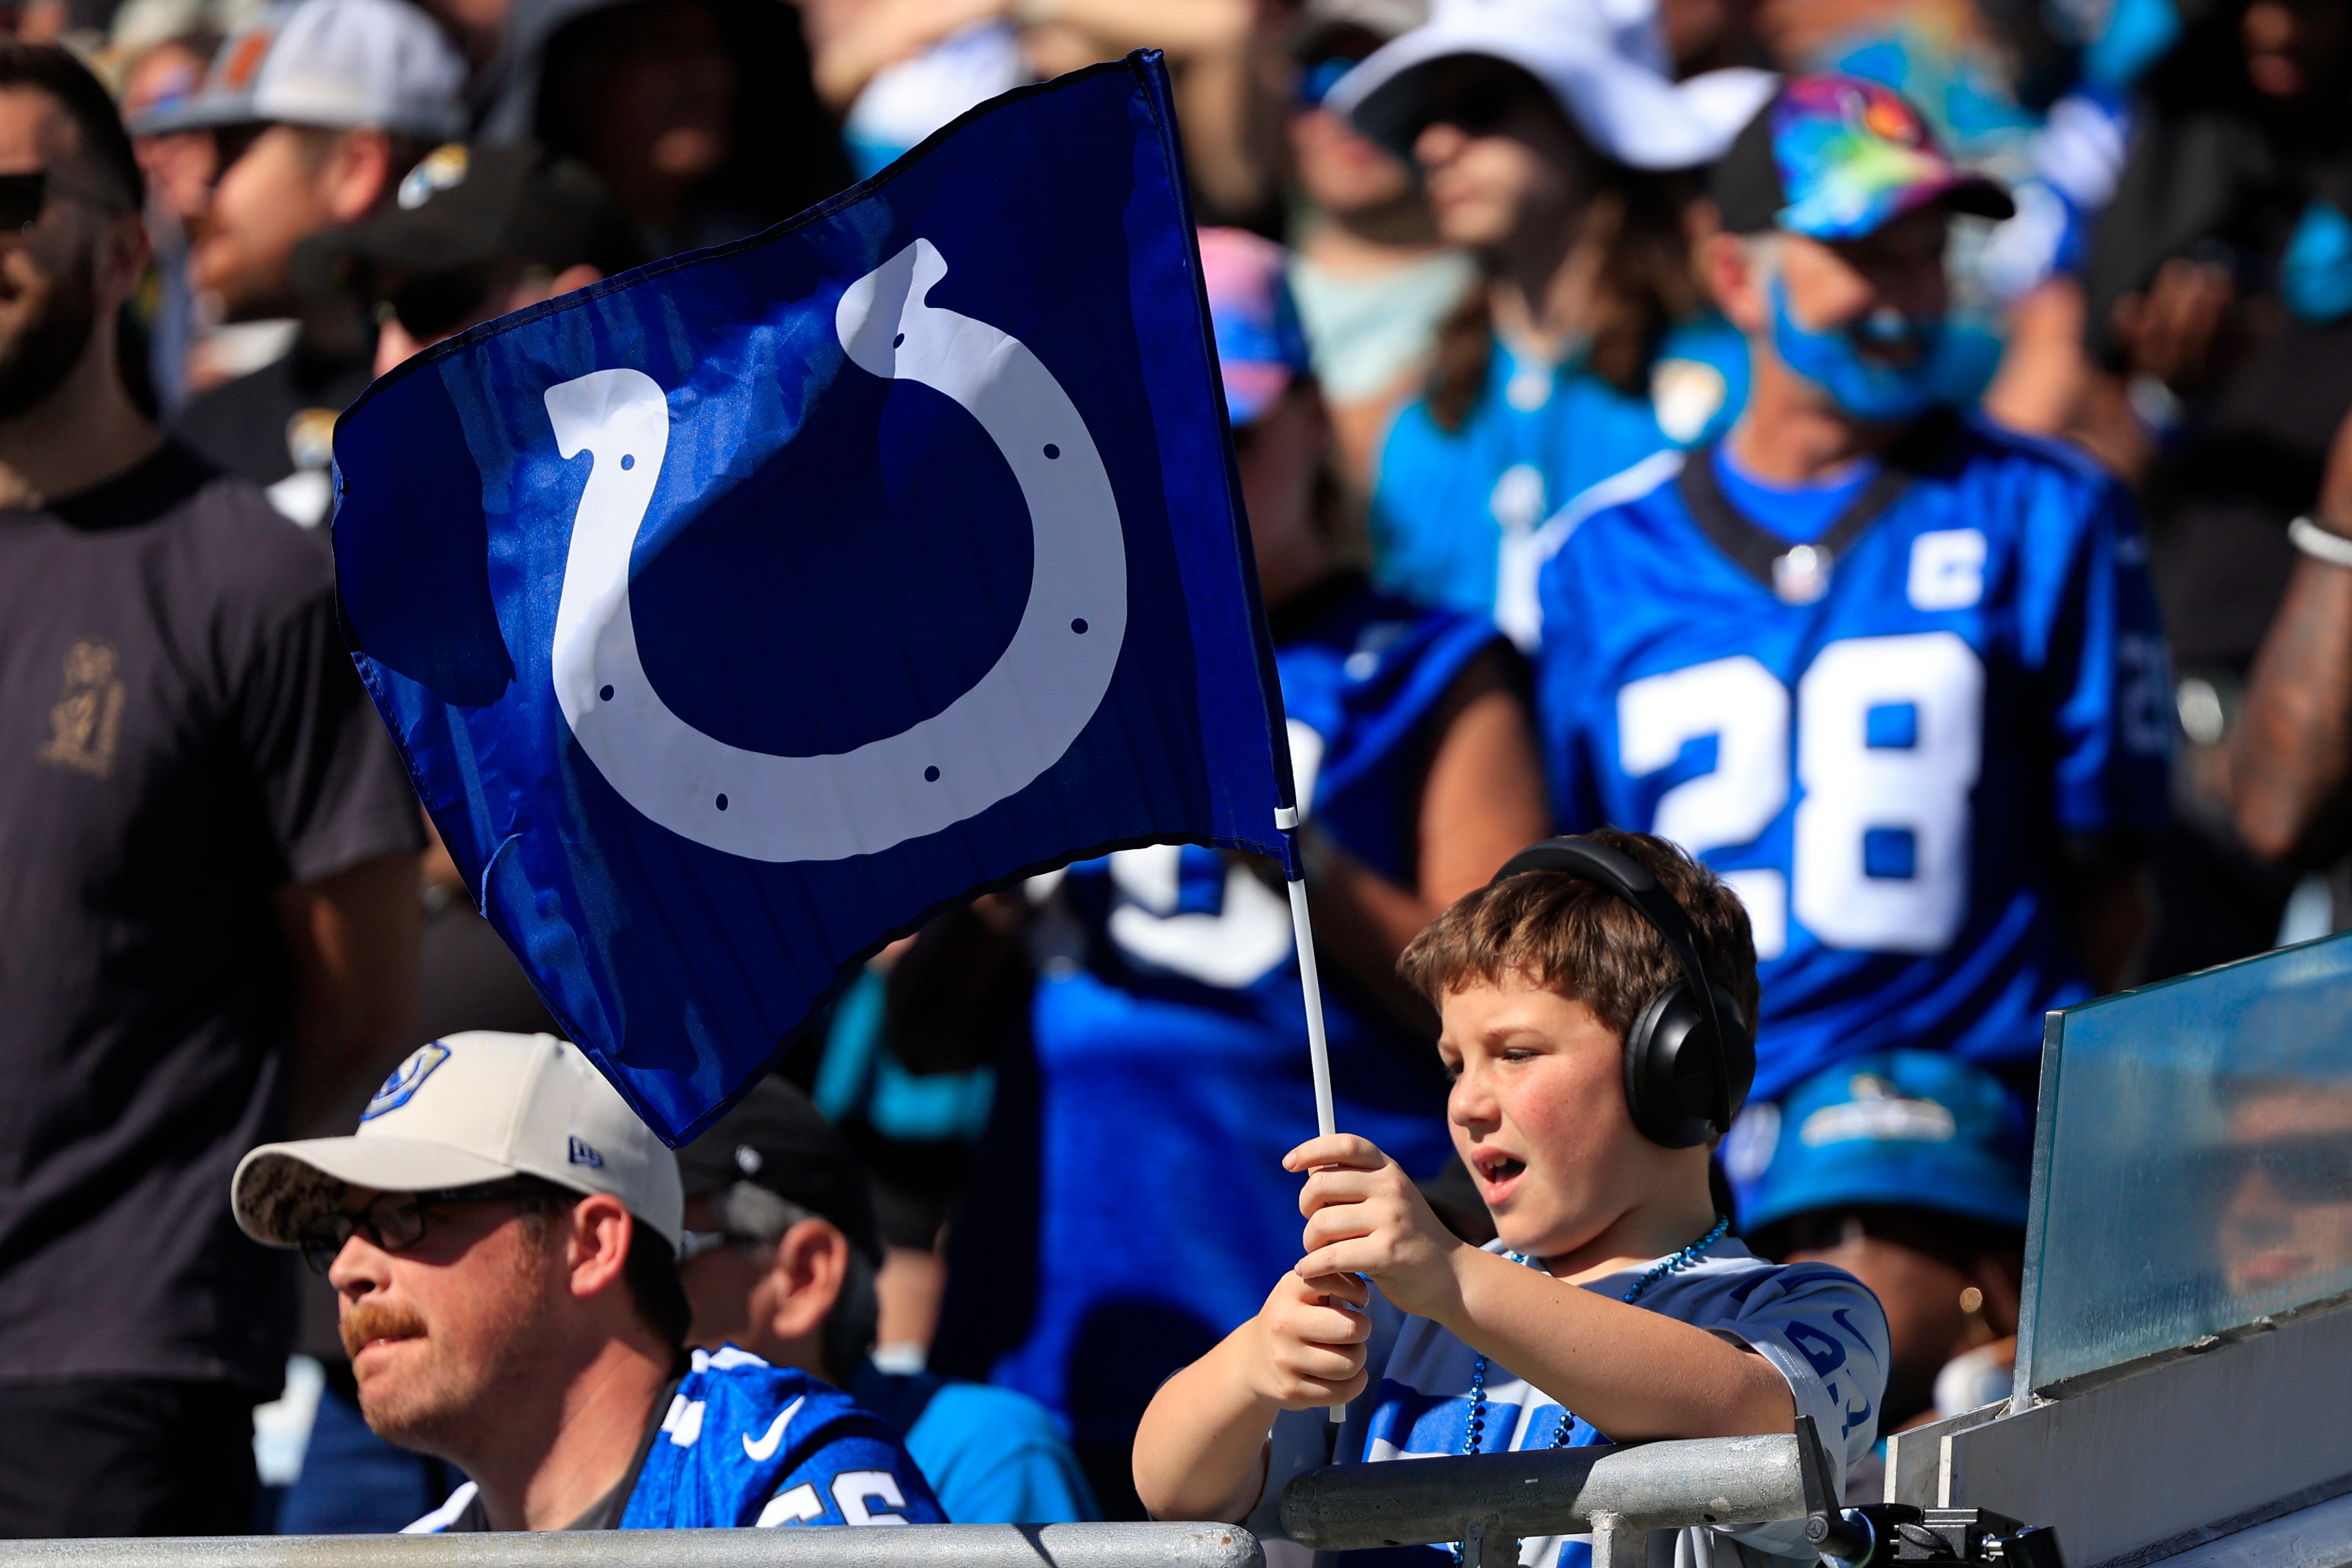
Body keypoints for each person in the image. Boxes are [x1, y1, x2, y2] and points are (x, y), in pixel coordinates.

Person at [931, 227, 1552, 1516]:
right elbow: (928, 1040)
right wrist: (983, 887)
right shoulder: (1040, 672)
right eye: (1163, 450)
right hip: (1057, 1304)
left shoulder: (1430, 665)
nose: (1199, 487)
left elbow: (1513, 1001)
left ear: (1315, 424)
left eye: (1239, 438)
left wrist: (1292, 856)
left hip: (1311, 1310)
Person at [1534, 76, 2171, 1145]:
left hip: (1970, 1139)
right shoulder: (1599, 559)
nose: (1910, 298)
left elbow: (2112, 883)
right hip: (1696, 1146)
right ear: (1736, 273)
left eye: (1931, 256)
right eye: (1868, 255)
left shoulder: (2053, 512)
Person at [0, 40, 423, 1535]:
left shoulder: (247, 577)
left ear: (125, 245)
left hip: (115, 1366)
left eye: (11, 200)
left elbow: (356, 1005)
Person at [1131, 830, 1890, 1567]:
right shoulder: (1395, 1320)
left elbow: (1754, 1419)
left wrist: (1456, 1279)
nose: (1466, 1102)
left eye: (1516, 1054)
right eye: (1456, 1065)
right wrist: (1253, 1367)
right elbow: (1176, 1494)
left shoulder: (1812, 1308)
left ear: (1681, 1068)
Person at [230, 1031, 947, 1532]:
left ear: (593, 1244)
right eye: (332, 1239)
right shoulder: (421, 1552)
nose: (350, 1270)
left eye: (406, 1215)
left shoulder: (779, 1477)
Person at [1321, 0, 1768, 640]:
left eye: (1483, 105)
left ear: (1595, 121)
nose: (1436, 144)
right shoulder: (1428, 421)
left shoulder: (1739, 381)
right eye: (1424, 117)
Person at [2083, 0, 2352, 973]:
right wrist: (2164, 399)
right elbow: (2086, 452)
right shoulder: (2184, 140)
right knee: (2187, 1066)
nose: (2284, 24)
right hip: (2204, 674)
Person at [677, 1076, 1096, 1524]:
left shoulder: (986, 1457)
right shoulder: (655, 1462)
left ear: (805, 1276)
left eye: (672, 1248)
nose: (626, 1279)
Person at [134, 0, 467, 522]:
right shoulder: (204, 434)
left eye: (232, 149)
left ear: (356, 169)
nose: (198, 189)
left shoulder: (483, 409)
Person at [1742, 1052, 2031, 1452]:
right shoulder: (1771, 1464)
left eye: (1831, 1231)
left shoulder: (2093, 1430)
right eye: (1775, 1247)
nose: (1789, 1269)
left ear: (1983, 1257)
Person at [476, 0, 849, 258]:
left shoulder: (774, 262)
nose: (709, 79)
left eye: (715, 48)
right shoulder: (513, 293)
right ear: (576, 79)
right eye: (665, 47)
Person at [1285, 0, 1479, 486]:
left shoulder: (1517, 298)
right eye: (1323, 80)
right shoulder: (1210, 284)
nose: (1347, 108)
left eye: (1386, 83)